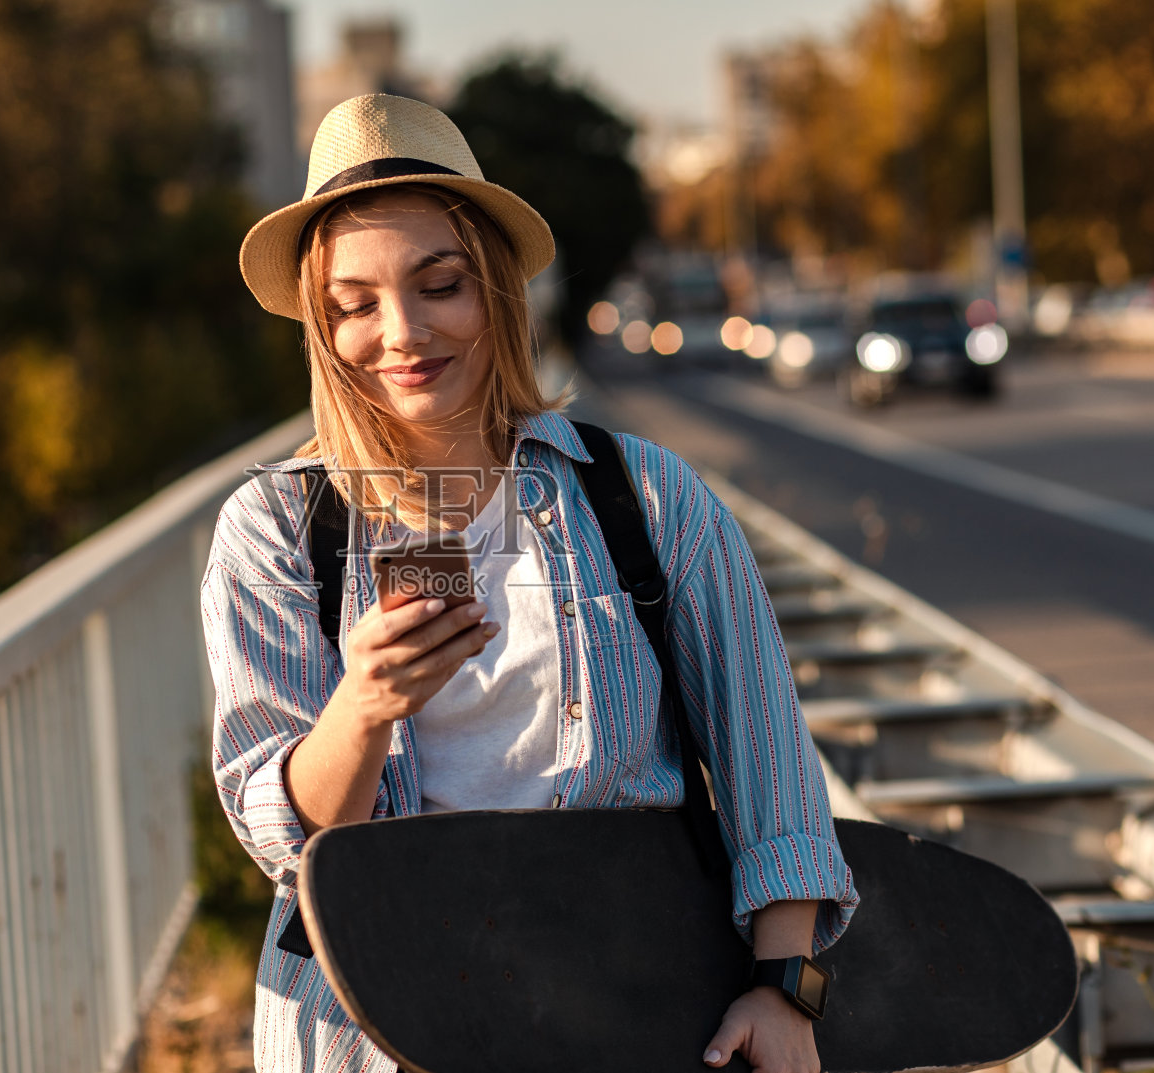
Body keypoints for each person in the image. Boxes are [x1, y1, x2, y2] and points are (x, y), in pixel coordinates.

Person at [201, 93, 859, 1073]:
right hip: (372, 1033)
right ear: (320, 324)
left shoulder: (643, 496)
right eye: (355, 303)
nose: (402, 332)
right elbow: (283, 833)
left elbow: (772, 776)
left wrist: (784, 990)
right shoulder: (277, 530)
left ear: (497, 289)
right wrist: (365, 704)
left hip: (631, 1010)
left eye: (439, 284)